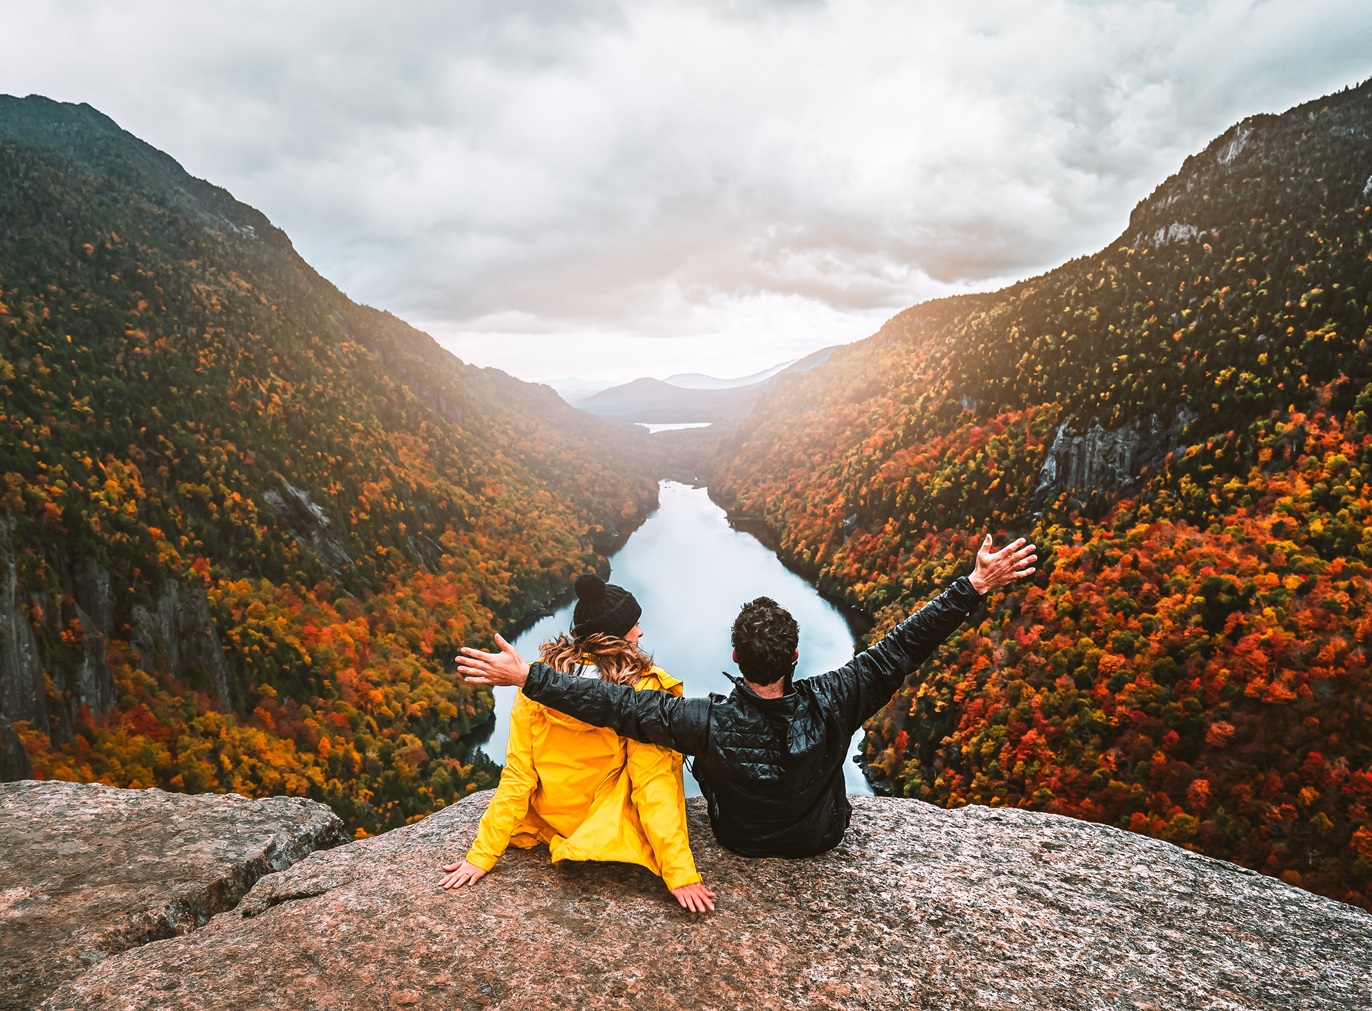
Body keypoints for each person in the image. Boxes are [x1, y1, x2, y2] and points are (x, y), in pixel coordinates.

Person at [457, 535, 1037, 859]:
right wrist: (975, 585)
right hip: (820, 838)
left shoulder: (701, 720)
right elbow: (902, 649)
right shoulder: (838, 697)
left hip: (738, 839)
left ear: (736, 658)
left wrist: (528, 677)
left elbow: (613, 705)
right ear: (795, 656)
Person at [440, 574, 716, 913]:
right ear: (614, 636)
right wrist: (680, 872)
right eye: (633, 625)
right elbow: (651, 783)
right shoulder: (642, 688)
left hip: (551, 818)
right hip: (604, 826)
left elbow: (518, 775)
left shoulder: (539, 680)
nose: (640, 632)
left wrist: (482, 855)